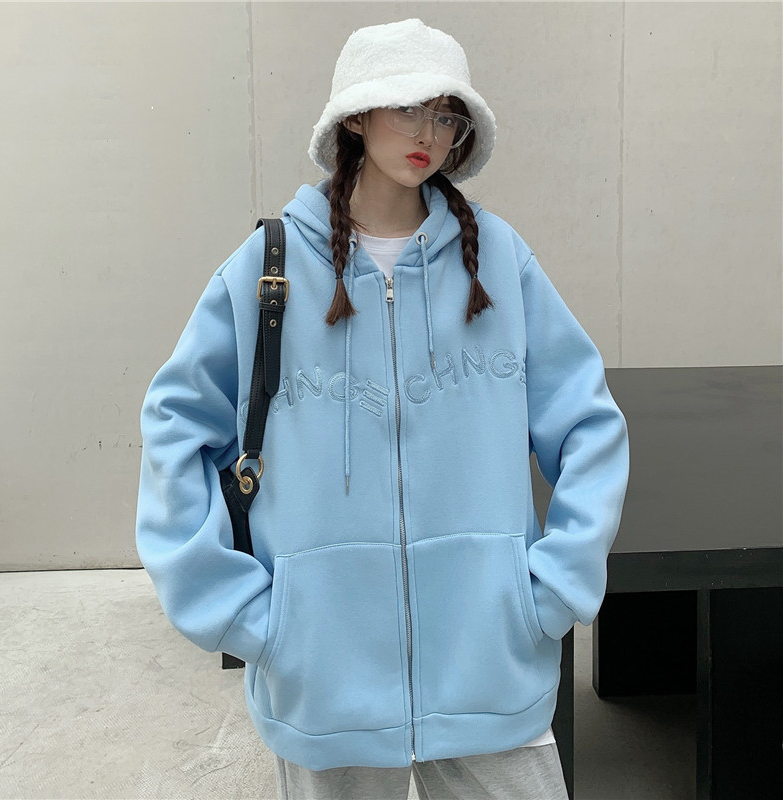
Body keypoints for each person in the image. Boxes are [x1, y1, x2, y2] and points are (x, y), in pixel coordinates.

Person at [136, 18, 629, 800]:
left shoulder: (498, 259)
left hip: (491, 666)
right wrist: (246, 616)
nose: (428, 132)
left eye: (446, 114)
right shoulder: (267, 269)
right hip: (321, 677)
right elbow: (175, 430)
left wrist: (553, 588)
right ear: (356, 117)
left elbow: (590, 425)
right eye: (407, 108)